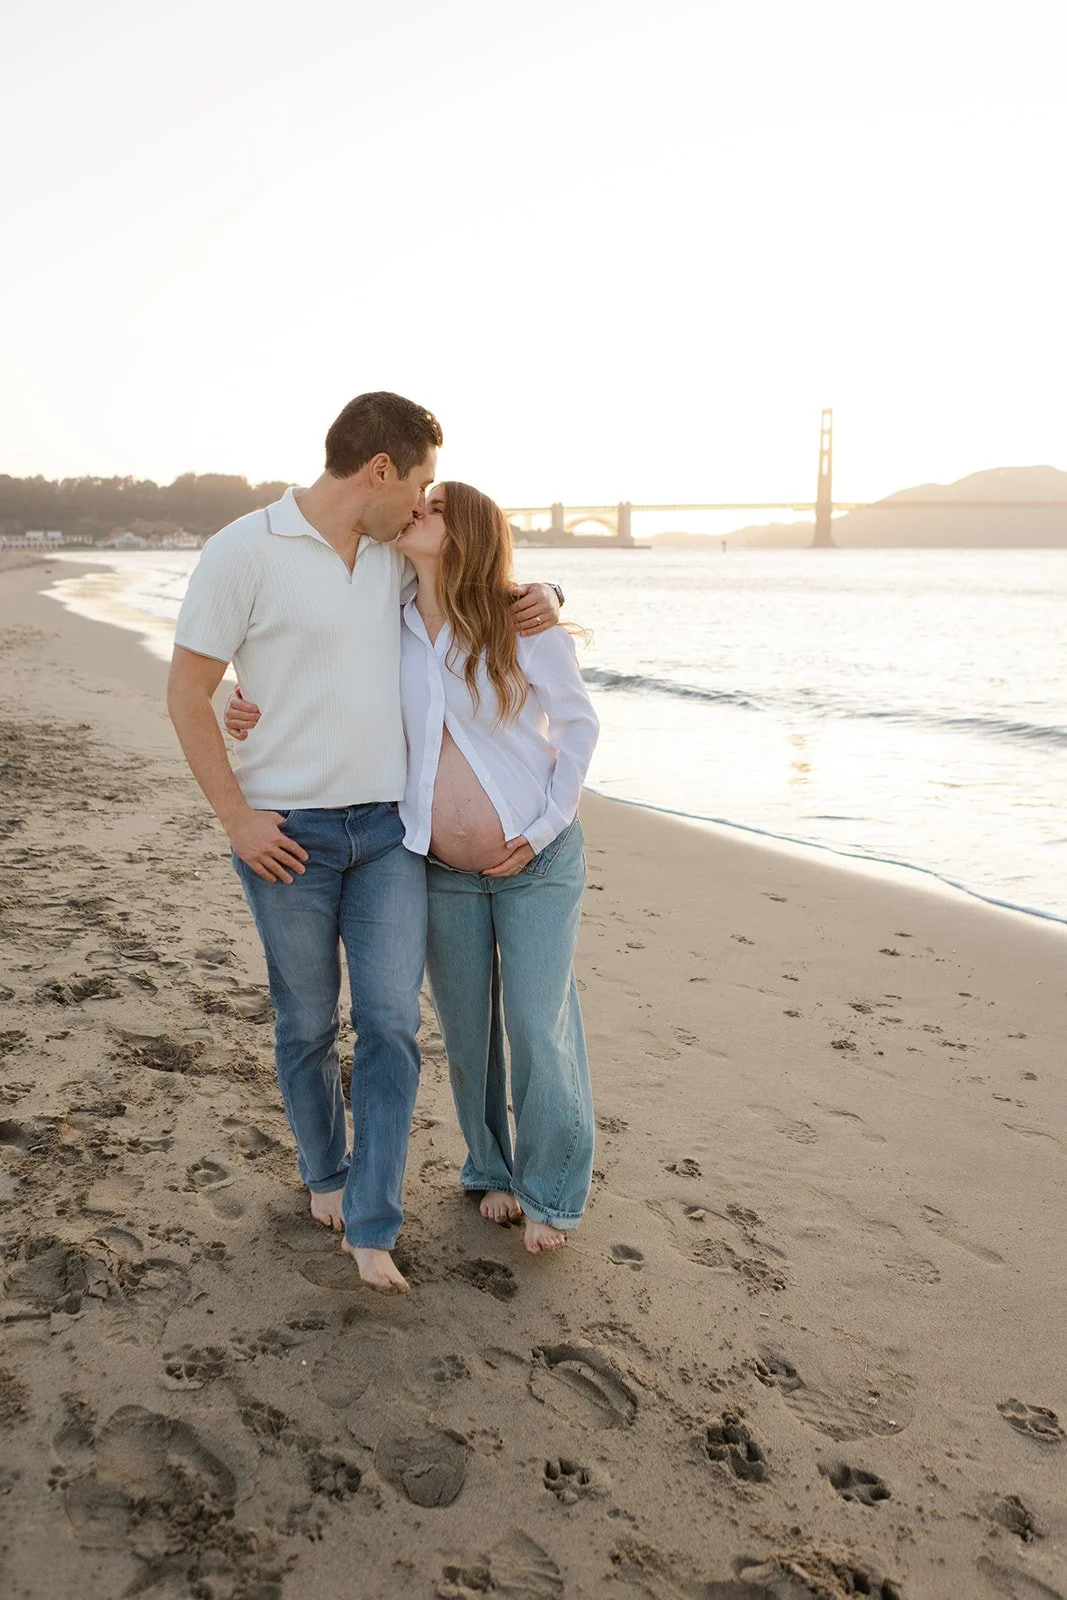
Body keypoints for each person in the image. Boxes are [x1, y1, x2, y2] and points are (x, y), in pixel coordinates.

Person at [166, 393, 560, 1293]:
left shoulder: (390, 556)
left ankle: (373, 1222)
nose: (425, 502)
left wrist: (545, 593)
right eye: (419, 481)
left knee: (388, 1024)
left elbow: (473, 586)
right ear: (380, 470)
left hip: (388, 833)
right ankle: (326, 1173)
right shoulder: (243, 550)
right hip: (285, 838)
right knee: (306, 1022)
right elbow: (189, 692)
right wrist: (237, 817)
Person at [228, 482, 599, 1254]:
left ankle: (552, 1194)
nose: (414, 512)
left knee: (535, 1024)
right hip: (436, 863)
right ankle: (489, 1170)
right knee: (466, 1034)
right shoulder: (389, 622)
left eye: (430, 509)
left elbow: (578, 728)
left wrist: (537, 833)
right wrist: (247, 698)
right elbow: (310, 665)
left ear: (461, 536)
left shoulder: (520, 624)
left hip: (535, 861)